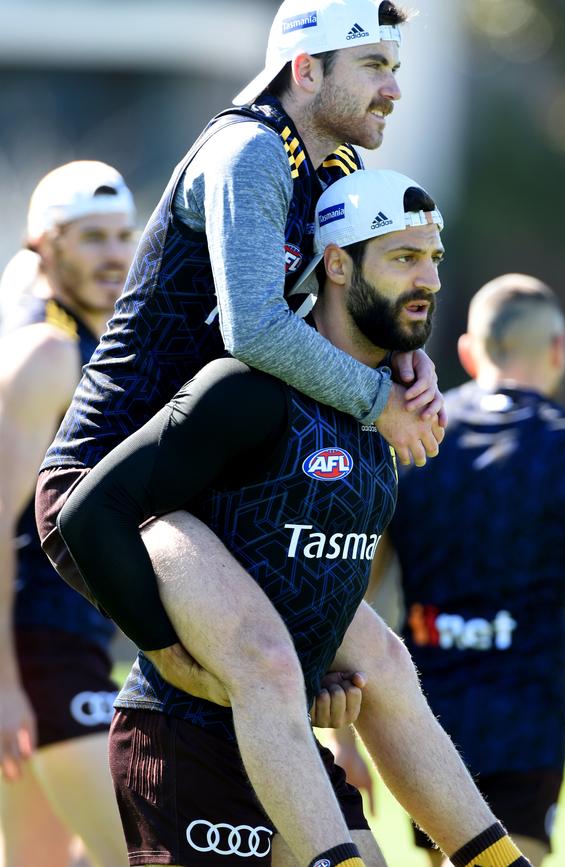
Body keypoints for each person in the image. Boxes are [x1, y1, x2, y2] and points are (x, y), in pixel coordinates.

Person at [36, 0, 446, 863]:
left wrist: (414, 363)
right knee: (262, 668)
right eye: (374, 66)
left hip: (207, 487)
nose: (395, 88)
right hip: (113, 490)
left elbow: (352, 305)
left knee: (373, 671)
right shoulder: (252, 150)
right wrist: (380, 401)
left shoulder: (329, 171)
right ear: (308, 69)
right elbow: (255, 330)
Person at [57, 169, 532, 867]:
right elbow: (89, 512)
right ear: (337, 263)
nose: (426, 278)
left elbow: (316, 597)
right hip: (184, 740)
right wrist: (167, 651)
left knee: (389, 660)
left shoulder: (383, 413)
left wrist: (313, 668)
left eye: (433, 257)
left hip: (287, 751)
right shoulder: (245, 391)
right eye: (402, 258)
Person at [356, 273, 565, 866]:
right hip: (527, 725)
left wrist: (341, 736)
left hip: (427, 726)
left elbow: (348, 601)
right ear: (559, 348)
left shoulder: (414, 440)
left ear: (468, 351)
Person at [0, 160, 138, 866]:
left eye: (122, 235)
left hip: (71, 643)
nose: (114, 253)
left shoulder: (100, 350)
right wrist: (3, 683)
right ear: (44, 246)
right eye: (91, 237)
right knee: (149, 853)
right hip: (40, 650)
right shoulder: (47, 353)